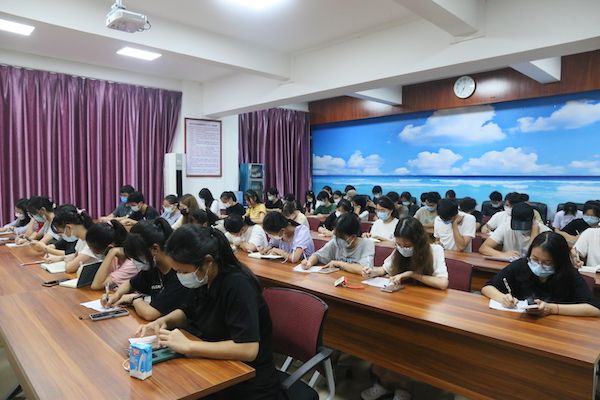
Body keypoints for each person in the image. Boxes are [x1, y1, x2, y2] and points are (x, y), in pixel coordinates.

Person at [136, 225, 282, 399]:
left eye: (184, 271)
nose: (181, 276)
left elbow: (248, 349)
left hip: (247, 381)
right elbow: (188, 311)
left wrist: (189, 345)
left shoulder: (238, 285)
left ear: (207, 261)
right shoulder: (204, 279)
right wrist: (163, 321)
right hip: (215, 366)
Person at [360, 217, 448, 400]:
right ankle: (385, 383)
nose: (402, 248)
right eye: (399, 244)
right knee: (384, 340)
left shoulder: (435, 250)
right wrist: (372, 271)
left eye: (406, 244)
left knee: (403, 345)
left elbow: (442, 283)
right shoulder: (399, 250)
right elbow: (385, 269)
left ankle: (401, 387)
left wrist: (412, 274)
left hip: (424, 308)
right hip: (398, 303)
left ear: (418, 240)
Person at [482, 231, 600, 316]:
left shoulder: (569, 274)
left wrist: (552, 309)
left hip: (556, 329)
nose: (539, 265)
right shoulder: (521, 265)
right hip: (520, 324)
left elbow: (595, 309)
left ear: (560, 261)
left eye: (547, 262)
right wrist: (503, 298)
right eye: (535, 259)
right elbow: (487, 287)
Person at [102, 218, 193, 321]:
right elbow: (130, 283)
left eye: (138, 255)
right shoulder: (153, 267)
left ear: (155, 249)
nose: (135, 261)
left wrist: (134, 299)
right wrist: (117, 295)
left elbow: (151, 314)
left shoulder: (180, 274)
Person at [302, 213, 375, 275]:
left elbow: (365, 270)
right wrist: (309, 263)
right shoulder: (335, 241)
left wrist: (339, 263)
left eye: (341, 237)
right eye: (335, 235)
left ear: (352, 237)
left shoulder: (367, 244)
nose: (337, 239)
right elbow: (318, 255)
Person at [38, 205, 100, 272]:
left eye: (61, 231)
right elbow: (75, 256)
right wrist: (59, 258)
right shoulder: (82, 237)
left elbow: (69, 268)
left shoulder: (92, 241)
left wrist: (68, 261)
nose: (61, 235)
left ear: (68, 227)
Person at [479, 203, 550, 258]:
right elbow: (483, 248)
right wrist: (503, 255)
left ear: (533, 219)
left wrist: (534, 235)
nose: (521, 228)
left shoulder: (546, 232)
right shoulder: (506, 226)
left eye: (525, 224)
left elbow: (534, 257)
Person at [86, 220, 138, 290]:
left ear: (110, 247)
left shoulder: (131, 263)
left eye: (91, 248)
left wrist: (111, 252)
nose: (89, 250)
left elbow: (96, 285)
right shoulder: (116, 255)